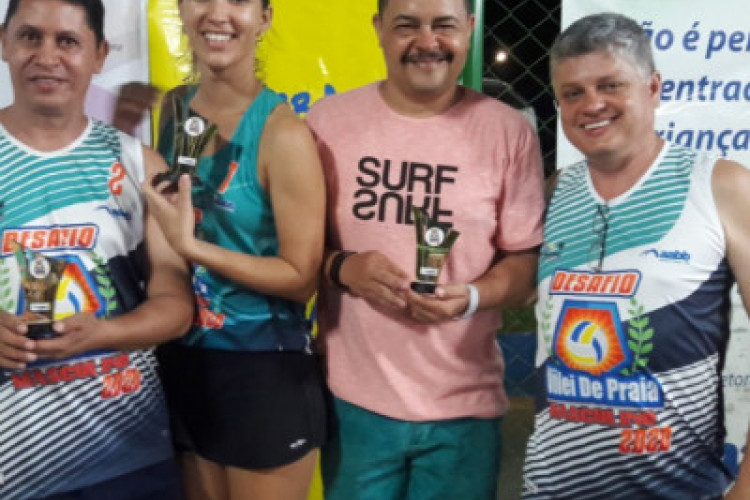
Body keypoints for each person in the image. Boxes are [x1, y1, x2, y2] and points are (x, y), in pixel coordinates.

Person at [305, 0, 545, 498]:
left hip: (465, 410)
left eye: (444, 25)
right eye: (407, 25)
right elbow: (293, 249)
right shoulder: (327, 123)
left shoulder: (509, 132)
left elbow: (525, 263)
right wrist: (344, 268)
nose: (427, 42)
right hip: (354, 404)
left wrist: (473, 297)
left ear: (470, 30)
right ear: (378, 29)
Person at [522, 12, 750, 500]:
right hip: (553, 487)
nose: (592, 104)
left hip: (681, 486)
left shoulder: (721, 185)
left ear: (653, 88)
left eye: (611, 85)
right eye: (573, 93)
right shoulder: (553, 193)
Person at [0, 0, 195, 499]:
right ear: (4, 43)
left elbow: (176, 307)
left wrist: (103, 333)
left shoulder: (140, 164)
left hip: (127, 458)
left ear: (99, 55)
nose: (47, 56)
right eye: (30, 36)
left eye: (68, 41)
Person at [139, 0, 328, 499]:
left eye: (239, 1)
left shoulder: (283, 132)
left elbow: (301, 277)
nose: (217, 14)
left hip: (262, 368)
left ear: (264, 18)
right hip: (183, 359)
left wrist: (192, 247)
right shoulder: (174, 106)